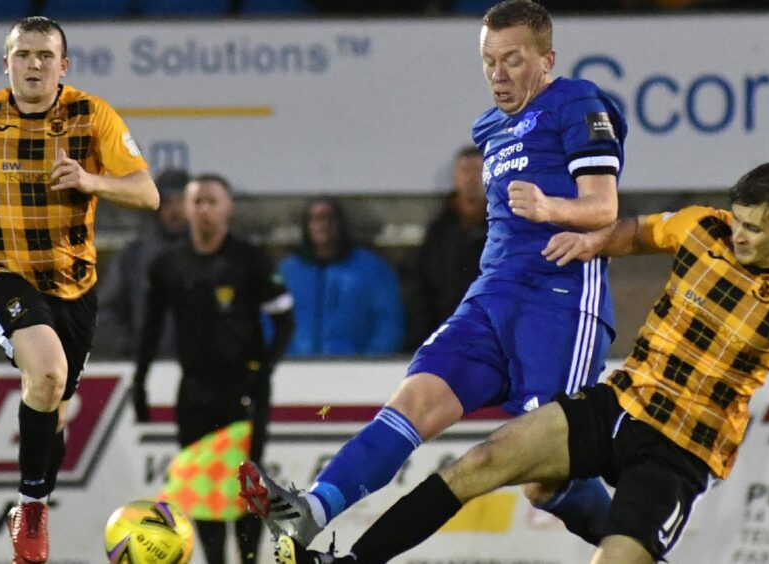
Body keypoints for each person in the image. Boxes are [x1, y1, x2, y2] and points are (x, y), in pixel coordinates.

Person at [297, 162, 769, 564]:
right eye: (737, 219)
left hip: (681, 449)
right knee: (483, 460)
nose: (739, 235)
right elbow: (635, 232)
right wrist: (591, 242)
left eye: (753, 228)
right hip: (622, 402)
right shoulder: (704, 226)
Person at [238, 0, 626, 560]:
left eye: (513, 60)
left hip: (559, 298)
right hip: (490, 299)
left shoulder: (579, 102)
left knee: (544, 478)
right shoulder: (490, 127)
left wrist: (549, 208)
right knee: (412, 403)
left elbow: (604, 208)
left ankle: (637, 542)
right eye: (488, 61)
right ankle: (313, 510)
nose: (498, 74)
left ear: (547, 58)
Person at [0, 16, 160, 563]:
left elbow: (148, 193)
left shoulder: (90, 115)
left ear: (64, 66)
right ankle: (33, 511)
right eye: (23, 55)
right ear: (6, 61)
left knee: (53, 406)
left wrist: (92, 181)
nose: (33, 65)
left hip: (73, 286)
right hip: (2, 273)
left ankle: (31, 501)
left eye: (45, 56)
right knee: (48, 371)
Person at [132, 174, 294, 564]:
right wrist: (140, 382)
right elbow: (152, 326)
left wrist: (264, 370)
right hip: (195, 389)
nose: (204, 209)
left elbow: (286, 320)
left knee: (246, 486)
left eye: (212, 201)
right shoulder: (168, 264)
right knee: (201, 486)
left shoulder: (249, 260)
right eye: (197, 201)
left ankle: (250, 557)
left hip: (245, 387)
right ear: (186, 209)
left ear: (228, 207)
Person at [278, 196, 405, 356]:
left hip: (358, 371)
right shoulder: (288, 272)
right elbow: (269, 320)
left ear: (340, 223)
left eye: (329, 218)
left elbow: (389, 321)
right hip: (294, 369)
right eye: (315, 219)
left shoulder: (371, 269)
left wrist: (371, 361)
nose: (323, 225)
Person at [96, 168, 189, 358]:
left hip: (200, 368)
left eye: (182, 202)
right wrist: (130, 345)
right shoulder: (133, 257)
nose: (176, 210)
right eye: (169, 202)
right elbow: (106, 312)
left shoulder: (212, 256)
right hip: (144, 365)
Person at [405, 144, 487, 349]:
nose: (471, 180)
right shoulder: (439, 233)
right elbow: (422, 289)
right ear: (454, 178)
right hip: (445, 337)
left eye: (478, 171)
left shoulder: (506, 228)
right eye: (465, 171)